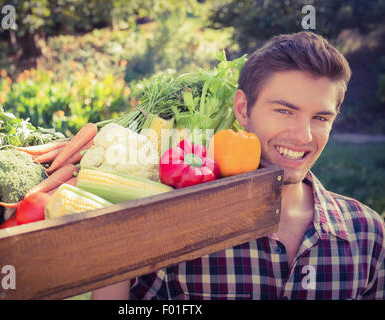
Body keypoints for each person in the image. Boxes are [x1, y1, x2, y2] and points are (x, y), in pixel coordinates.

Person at [92, 31, 384, 300]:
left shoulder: (368, 234)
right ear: (243, 109)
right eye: (284, 110)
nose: (303, 136)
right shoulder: (175, 229)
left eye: (320, 118)